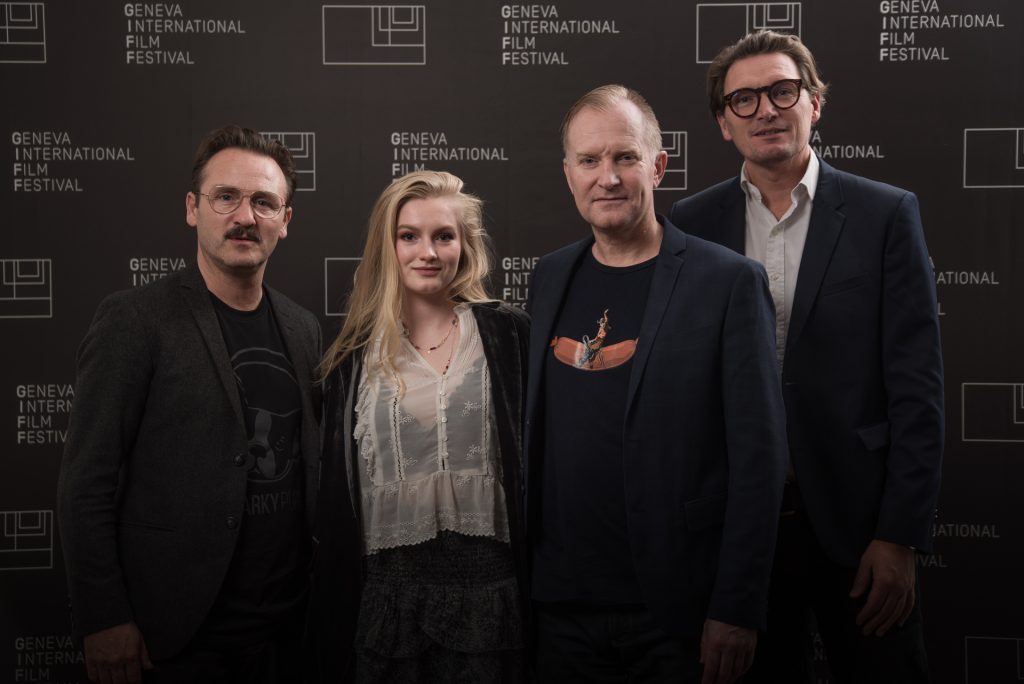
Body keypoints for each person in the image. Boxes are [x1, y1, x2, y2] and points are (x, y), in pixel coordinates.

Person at [670, 31, 944, 683]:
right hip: (740, 529)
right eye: (744, 99)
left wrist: (899, 535)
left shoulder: (885, 214)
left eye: (783, 91)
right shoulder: (690, 222)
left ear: (814, 103)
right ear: (724, 123)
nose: (765, 109)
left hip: (861, 522)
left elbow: (918, 388)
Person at [525, 84, 787, 684]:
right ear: (568, 174)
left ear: (659, 166)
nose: (608, 177)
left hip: (677, 609)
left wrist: (736, 606)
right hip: (559, 604)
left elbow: (760, 459)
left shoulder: (728, 282)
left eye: (626, 157)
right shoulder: (550, 275)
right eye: (589, 160)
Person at [57, 125, 322, 684]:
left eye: (264, 202)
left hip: (288, 632)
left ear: (285, 220)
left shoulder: (303, 329)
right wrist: (104, 617)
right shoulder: (134, 320)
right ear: (192, 209)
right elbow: (86, 483)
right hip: (174, 639)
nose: (245, 216)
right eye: (225, 197)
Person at [307, 170, 530, 683]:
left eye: (443, 236)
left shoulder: (509, 334)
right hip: (388, 605)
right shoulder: (352, 358)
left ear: (465, 245)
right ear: (387, 246)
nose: (426, 252)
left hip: (492, 600)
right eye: (409, 236)